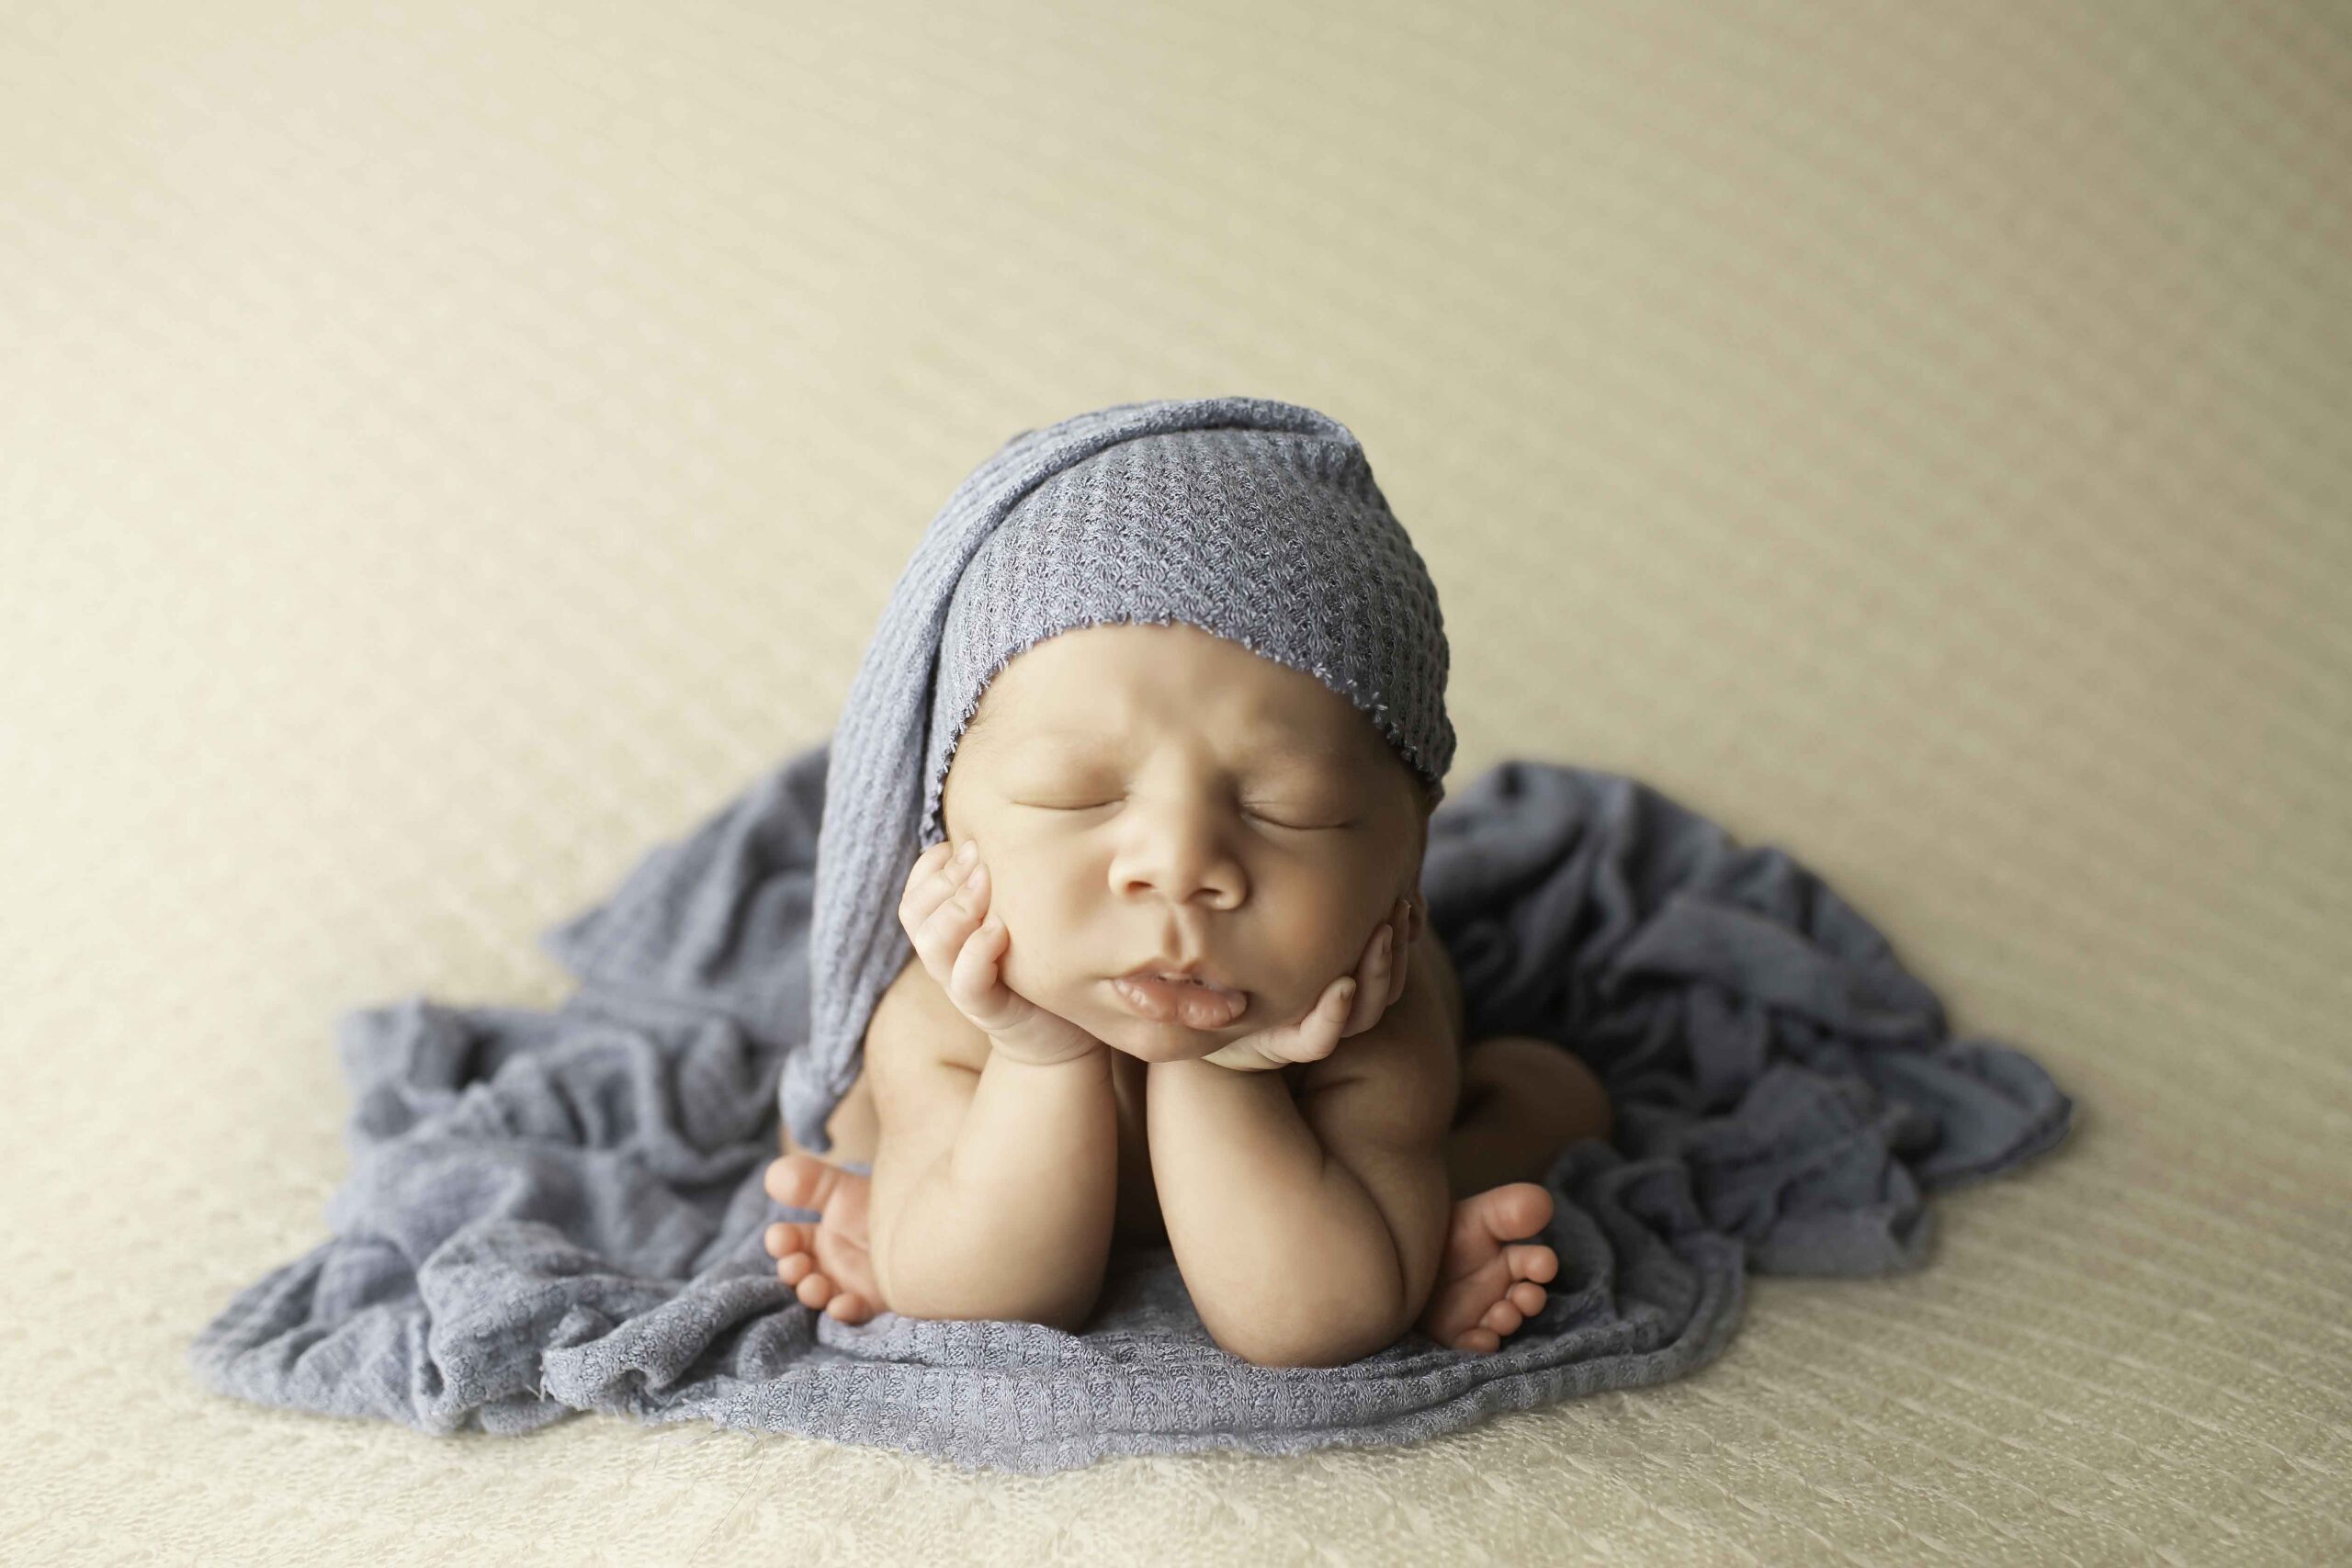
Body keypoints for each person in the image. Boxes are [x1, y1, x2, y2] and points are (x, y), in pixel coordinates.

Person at [763, 400, 1613, 1366]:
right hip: (985, 1077)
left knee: (1554, 1099)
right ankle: (1404, 1237)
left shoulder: (1371, 1020)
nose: (1177, 866)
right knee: (847, 1131)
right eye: (1073, 794)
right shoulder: (942, 1019)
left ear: (1404, 864)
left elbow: (1313, 1322)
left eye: (1290, 808)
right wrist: (1040, 1059)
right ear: (947, 828)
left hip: (1349, 1084)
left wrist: (1228, 1069)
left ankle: (1407, 1209)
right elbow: (984, 1308)